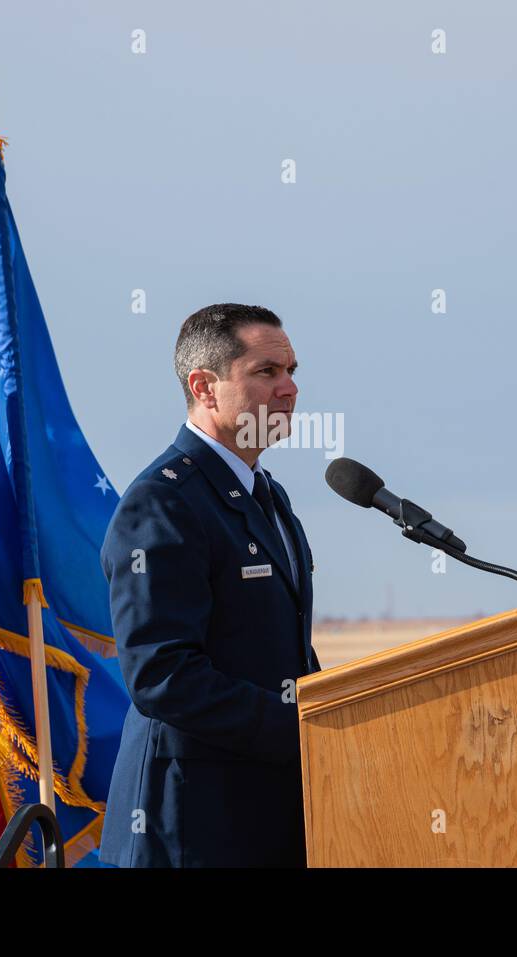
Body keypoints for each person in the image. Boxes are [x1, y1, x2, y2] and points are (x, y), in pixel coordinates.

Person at [98, 303, 320, 867]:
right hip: (188, 827)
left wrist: (337, 712)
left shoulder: (266, 496)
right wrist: (304, 731)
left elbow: (280, 651)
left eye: (292, 370)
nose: (289, 388)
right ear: (205, 386)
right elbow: (162, 675)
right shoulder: (163, 502)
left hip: (265, 818)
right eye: (266, 372)